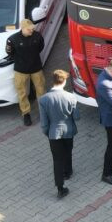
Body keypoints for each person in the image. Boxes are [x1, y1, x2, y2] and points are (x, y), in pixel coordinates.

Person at [38, 69, 79, 199]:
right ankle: (68, 171)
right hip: (69, 130)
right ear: (64, 81)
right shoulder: (71, 97)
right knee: (68, 151)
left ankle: (60, 187)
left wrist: (48, 132)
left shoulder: (44, 99)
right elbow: (77, 117)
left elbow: (44, 123)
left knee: (57, 160)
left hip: (53, 133)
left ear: (53, 80)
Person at [5, 19, 46, 126]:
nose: (31, 31)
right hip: (21, 70)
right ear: (22, 28)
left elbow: (41, 47)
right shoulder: (13, 39)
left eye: (32, 29)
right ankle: (26, 113)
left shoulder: (37, 36)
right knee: (22, 93)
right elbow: (10, 52)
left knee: (41, 90)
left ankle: (43, 112)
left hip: (36, 68)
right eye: (29, 29)